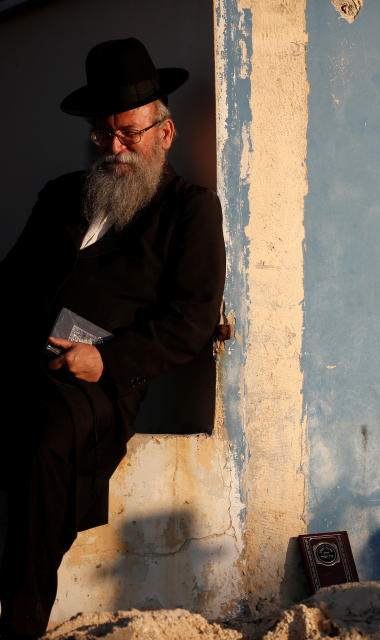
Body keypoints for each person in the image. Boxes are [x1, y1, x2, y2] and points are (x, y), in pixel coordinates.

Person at [0, 38, 225, 639]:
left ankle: (18, 622)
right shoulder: (60, 196)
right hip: (22, 363)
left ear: (165, 132)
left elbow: (192, 319)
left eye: (127, 133)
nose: (115, 148)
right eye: (103, 135)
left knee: (43, 448)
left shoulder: (190, 210)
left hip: (95, 386)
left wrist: (106, 360)